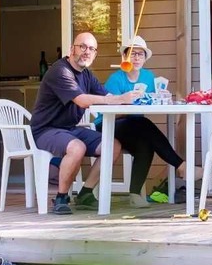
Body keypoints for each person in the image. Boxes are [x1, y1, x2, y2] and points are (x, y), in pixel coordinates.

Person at [31, 32, 142, 215]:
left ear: (95, 54)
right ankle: (61, 198)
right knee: (77, 148)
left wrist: (132, 100)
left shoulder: (87, 75)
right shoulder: (60, 71)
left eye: (91, 49)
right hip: (46, 130)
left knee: (112, 145)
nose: (86, 51)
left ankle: (86, 193)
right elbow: (82, 100)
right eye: (82, 46)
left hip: (70, 130)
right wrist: (118, 99)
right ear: (71, 49)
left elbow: (108, 97)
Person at [101, 36, 199, 207]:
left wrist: (163, 96)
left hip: (135, 127)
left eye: (140, 54)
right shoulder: (116, 79)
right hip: (111, 124)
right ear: (125, 57)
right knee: (142, 123)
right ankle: (181, 165)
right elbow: (109, 111)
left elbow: (153, 99)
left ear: (145, 58)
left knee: (146, 144)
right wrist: (126, 102)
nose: (137, 57)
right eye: (132, 53)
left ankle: (134, 194)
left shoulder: (148, 77)